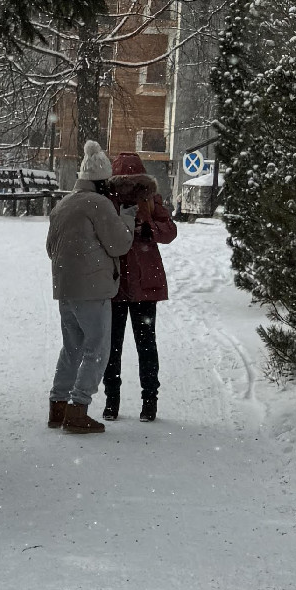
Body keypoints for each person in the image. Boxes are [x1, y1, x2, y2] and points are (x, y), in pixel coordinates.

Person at [45, 140, 136, 436]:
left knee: (72, 347)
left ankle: (58, 405)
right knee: (97, 349)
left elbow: (50, 248)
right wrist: (128, 218)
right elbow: (120, 243)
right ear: (102, 181)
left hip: (65, 287)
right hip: (93, 288)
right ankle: (78, 409)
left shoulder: (64, 204)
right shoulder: (99, 204)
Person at [103, 150, 177, 422]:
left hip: (145, 285)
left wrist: (150, 231)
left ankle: (149, 401)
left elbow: (170, 231)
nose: (128, 188)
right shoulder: (107, 203)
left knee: (145, 345)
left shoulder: (151, 201)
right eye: (123, 182)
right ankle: (112, 400)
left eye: (133, 182)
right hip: (116, 285)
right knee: (112, 347)